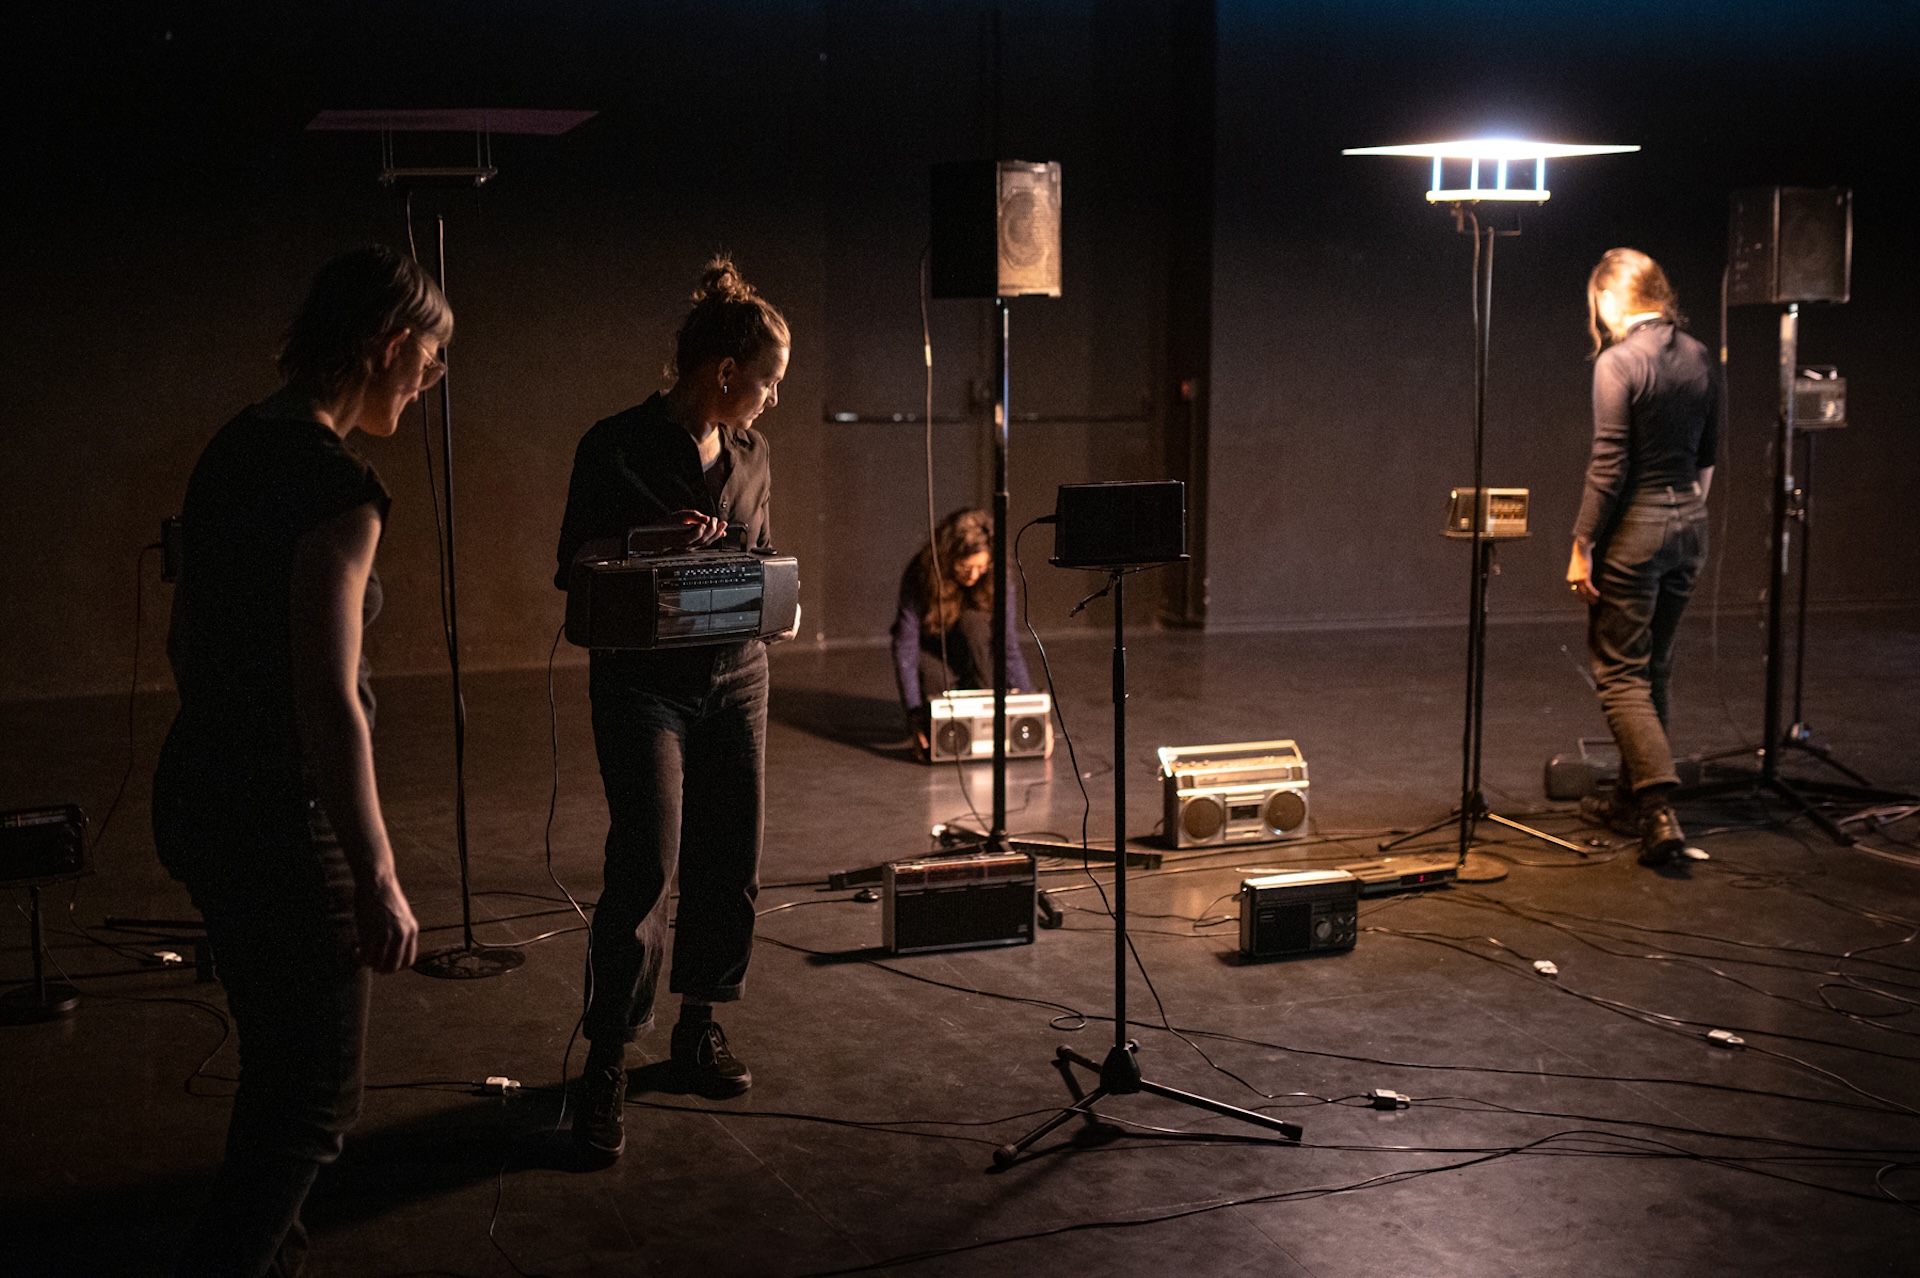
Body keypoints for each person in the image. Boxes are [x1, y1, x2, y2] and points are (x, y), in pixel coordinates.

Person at [152, 245, 444, 1276]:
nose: (427, 384)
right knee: (314, 1100)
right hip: (283, 818)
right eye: (428, 362)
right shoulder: (338, 488)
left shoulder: (234, 447)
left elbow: (185, 642)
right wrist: (376, 874)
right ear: (388, 345)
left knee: (275, 1067)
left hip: (200, 793)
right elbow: (329, 697)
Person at [554, 256, 790, 1160]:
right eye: (767, 380)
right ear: (725, 371)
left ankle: (698, 1026)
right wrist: (646, 540)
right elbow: (574, 567)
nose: (773, 398)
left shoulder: (753, 456)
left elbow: (759, 557)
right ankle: (608, 1058)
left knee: (730, 858)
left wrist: (778, 597)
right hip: (643, 683)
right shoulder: (613, 445)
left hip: (738, 677)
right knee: (645, 866)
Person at [1566, 248, 1717, 867]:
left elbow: (1608, 465)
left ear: (1608, 299)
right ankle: (1630, 800)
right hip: (1691, 525)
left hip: (1637, 531)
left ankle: (1657, 811)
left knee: (1621, 674)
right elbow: (1707, 457)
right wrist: (1684, 517)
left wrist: (1582, 543)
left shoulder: (1618, 361)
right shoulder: (1700, 356)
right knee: (1655, 666)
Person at [890, 508, 1035, 760]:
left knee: (975, 624)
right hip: (935, 654)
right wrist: (914, 717)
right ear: (949, 558)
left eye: (981, 567)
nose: (974, 575)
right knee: (933, 682)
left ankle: (984, 708)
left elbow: (1008, 644)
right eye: (966, 567)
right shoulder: (921, 572)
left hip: (976, 659)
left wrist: (1029, 709)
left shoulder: (997, 577)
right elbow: (906, 646)